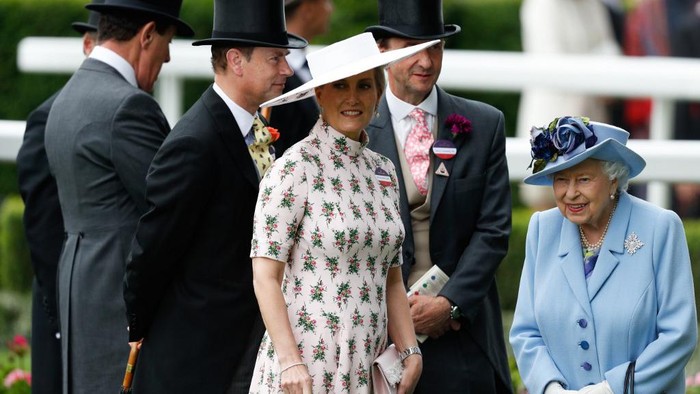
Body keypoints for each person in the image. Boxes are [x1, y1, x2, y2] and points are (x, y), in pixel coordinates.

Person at [122, 0, 306, 392]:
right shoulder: (194, 142)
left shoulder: (255, 126)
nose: (287, 71)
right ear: (237, 60)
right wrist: (140, 327)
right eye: (276, 59)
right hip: (197, 356)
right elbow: (151, 252)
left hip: (247, 347)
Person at [249, 32, 437, 394]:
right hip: (304, 368)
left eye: (364, 86)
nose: (352, 98)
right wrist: (290, 361)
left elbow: (392, 276)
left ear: (378, 94)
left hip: (368, 363)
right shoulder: (293, 168)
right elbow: (265, 277)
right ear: (319, 94)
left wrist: (411, 349)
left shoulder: (384, 170)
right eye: (339, 86)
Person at [43, 1, 193, 393]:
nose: (168, 55)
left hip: (78, 292)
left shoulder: (68, 95)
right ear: (146, 35)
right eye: (168, 40)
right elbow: (171, 210)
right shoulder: (129, 105)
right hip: (115, 302)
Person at [363, 0, 514, 392]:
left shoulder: (484, 124)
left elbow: (493, 230)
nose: (426, 61)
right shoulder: (355, 130)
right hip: (379, 344)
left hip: (462, 337)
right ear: (381, 49)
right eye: (412, 48)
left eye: (435, 47)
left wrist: (449, 303)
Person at [510, 116, 698, 393]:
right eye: (561, 180)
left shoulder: (660, 228)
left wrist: (611, 388)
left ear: (613, 180)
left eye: (583, 179)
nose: (571, 193)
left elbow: (678, 335)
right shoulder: (542, 230)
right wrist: (550, 388)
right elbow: (526, 332)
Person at [16, 3, 101, 392]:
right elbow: (43, 228)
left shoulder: (136, 113)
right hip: (62, 303)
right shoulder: (46, 117)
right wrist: (63, 313)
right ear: (87, 45)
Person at [517, 0, 621, 210]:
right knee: (549, 210)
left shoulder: (593, 5)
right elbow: (552, 64)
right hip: (551, 117)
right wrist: (601, 73)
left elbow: (611, 49)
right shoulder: (541, 6)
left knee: (596, 210)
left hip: (593, 120)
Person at [268, 0, 334, 157]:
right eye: (326, 3)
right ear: (308, 10)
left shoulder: (315, 67)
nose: (330, 9)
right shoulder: (270, 78)